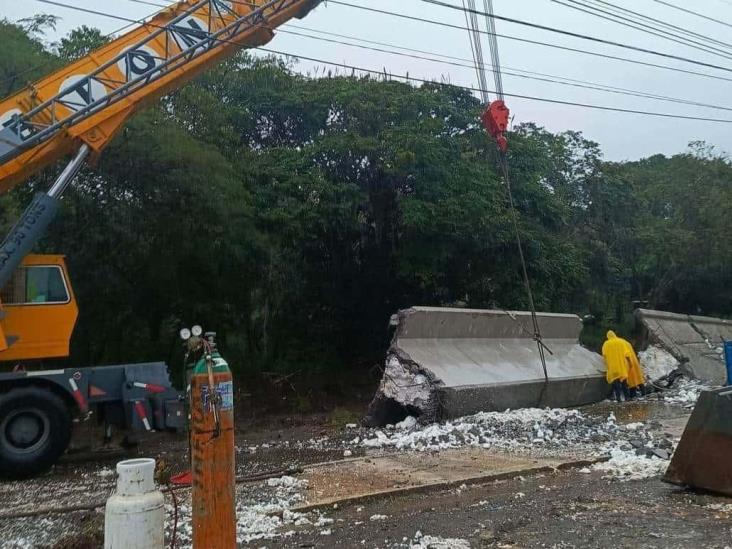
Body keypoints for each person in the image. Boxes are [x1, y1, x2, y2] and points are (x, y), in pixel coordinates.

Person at [601, 330, 635, 402]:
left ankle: (618, 398)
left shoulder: (606, 344)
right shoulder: (621, 342)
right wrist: (630, 362)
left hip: (613, 368)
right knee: (624, 382)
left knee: (616, 383)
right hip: (622, 366)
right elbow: (627, 354)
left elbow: (604, 355)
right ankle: (627, 397)